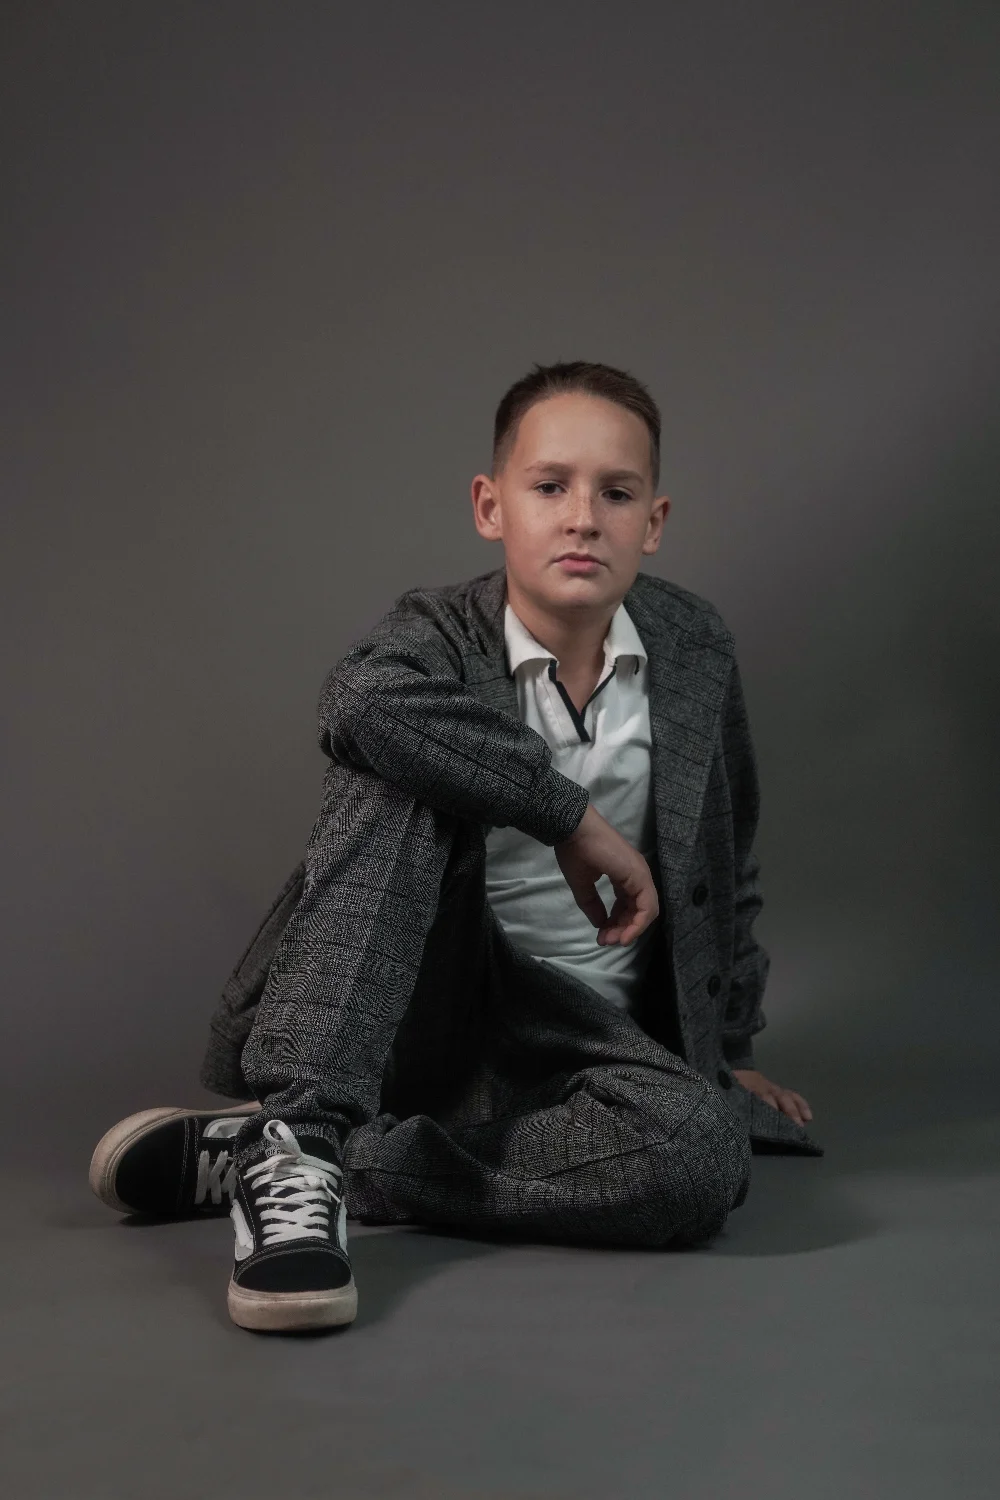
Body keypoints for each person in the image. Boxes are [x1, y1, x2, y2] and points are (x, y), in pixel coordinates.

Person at [89, 360, 822, 1334]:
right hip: (417, 1011)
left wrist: (729, 1045)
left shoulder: (692, 647)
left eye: (615, 494)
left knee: (699, 1160)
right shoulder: (439, 633)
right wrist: (569, 817)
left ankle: (313, 1161)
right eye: (549, 486)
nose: (582, 519)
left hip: (591, 1044)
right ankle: (301, 1129)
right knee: (399, 751)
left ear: (653, 522)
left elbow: (730, 850)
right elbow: (358, 700)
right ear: (490, 506)